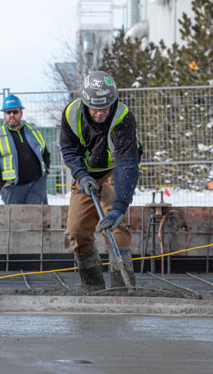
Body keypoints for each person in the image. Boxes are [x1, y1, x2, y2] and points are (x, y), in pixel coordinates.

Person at [59, 70, 142, 291]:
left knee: (115, 229)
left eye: (105, 107)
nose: (99, 113)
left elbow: (127, 164)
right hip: (86, 173)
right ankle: (92, 285)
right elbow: (68, 149)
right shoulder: (71, 114)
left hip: (115, 170)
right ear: (85, 102)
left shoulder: (123, 118)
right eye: (95, 108)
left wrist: (118, 208)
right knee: (76, 231)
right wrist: (81, 175)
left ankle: (122, 287)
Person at [0, 94, 51, 204]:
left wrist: (44, 172)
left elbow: (45, 152)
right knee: (15, 220)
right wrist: (2, 183)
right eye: (8, 112)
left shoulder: (33, 129)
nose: (11, 115)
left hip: (37, 186)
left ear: (21, 113)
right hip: (12, 189)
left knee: (38, 219)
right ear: (4, 114)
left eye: (15, 112)